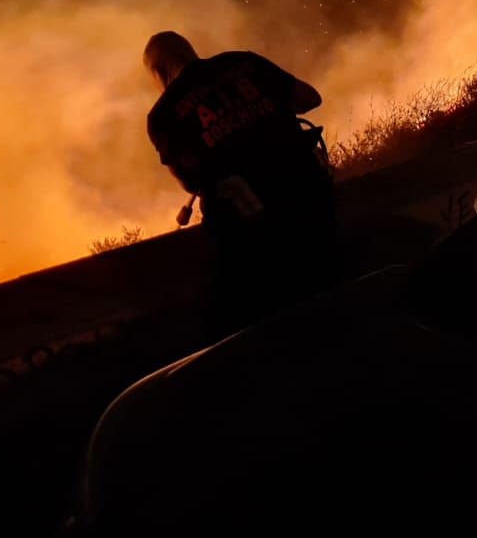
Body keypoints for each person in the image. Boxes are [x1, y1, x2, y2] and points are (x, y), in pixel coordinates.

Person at [143, 31, 339, 338]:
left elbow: (188, 181)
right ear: (190, 50)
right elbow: (310, 99)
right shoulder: (244, 63)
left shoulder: (163, 116)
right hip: (312, 201)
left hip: (252, 237)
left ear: (157, 73)